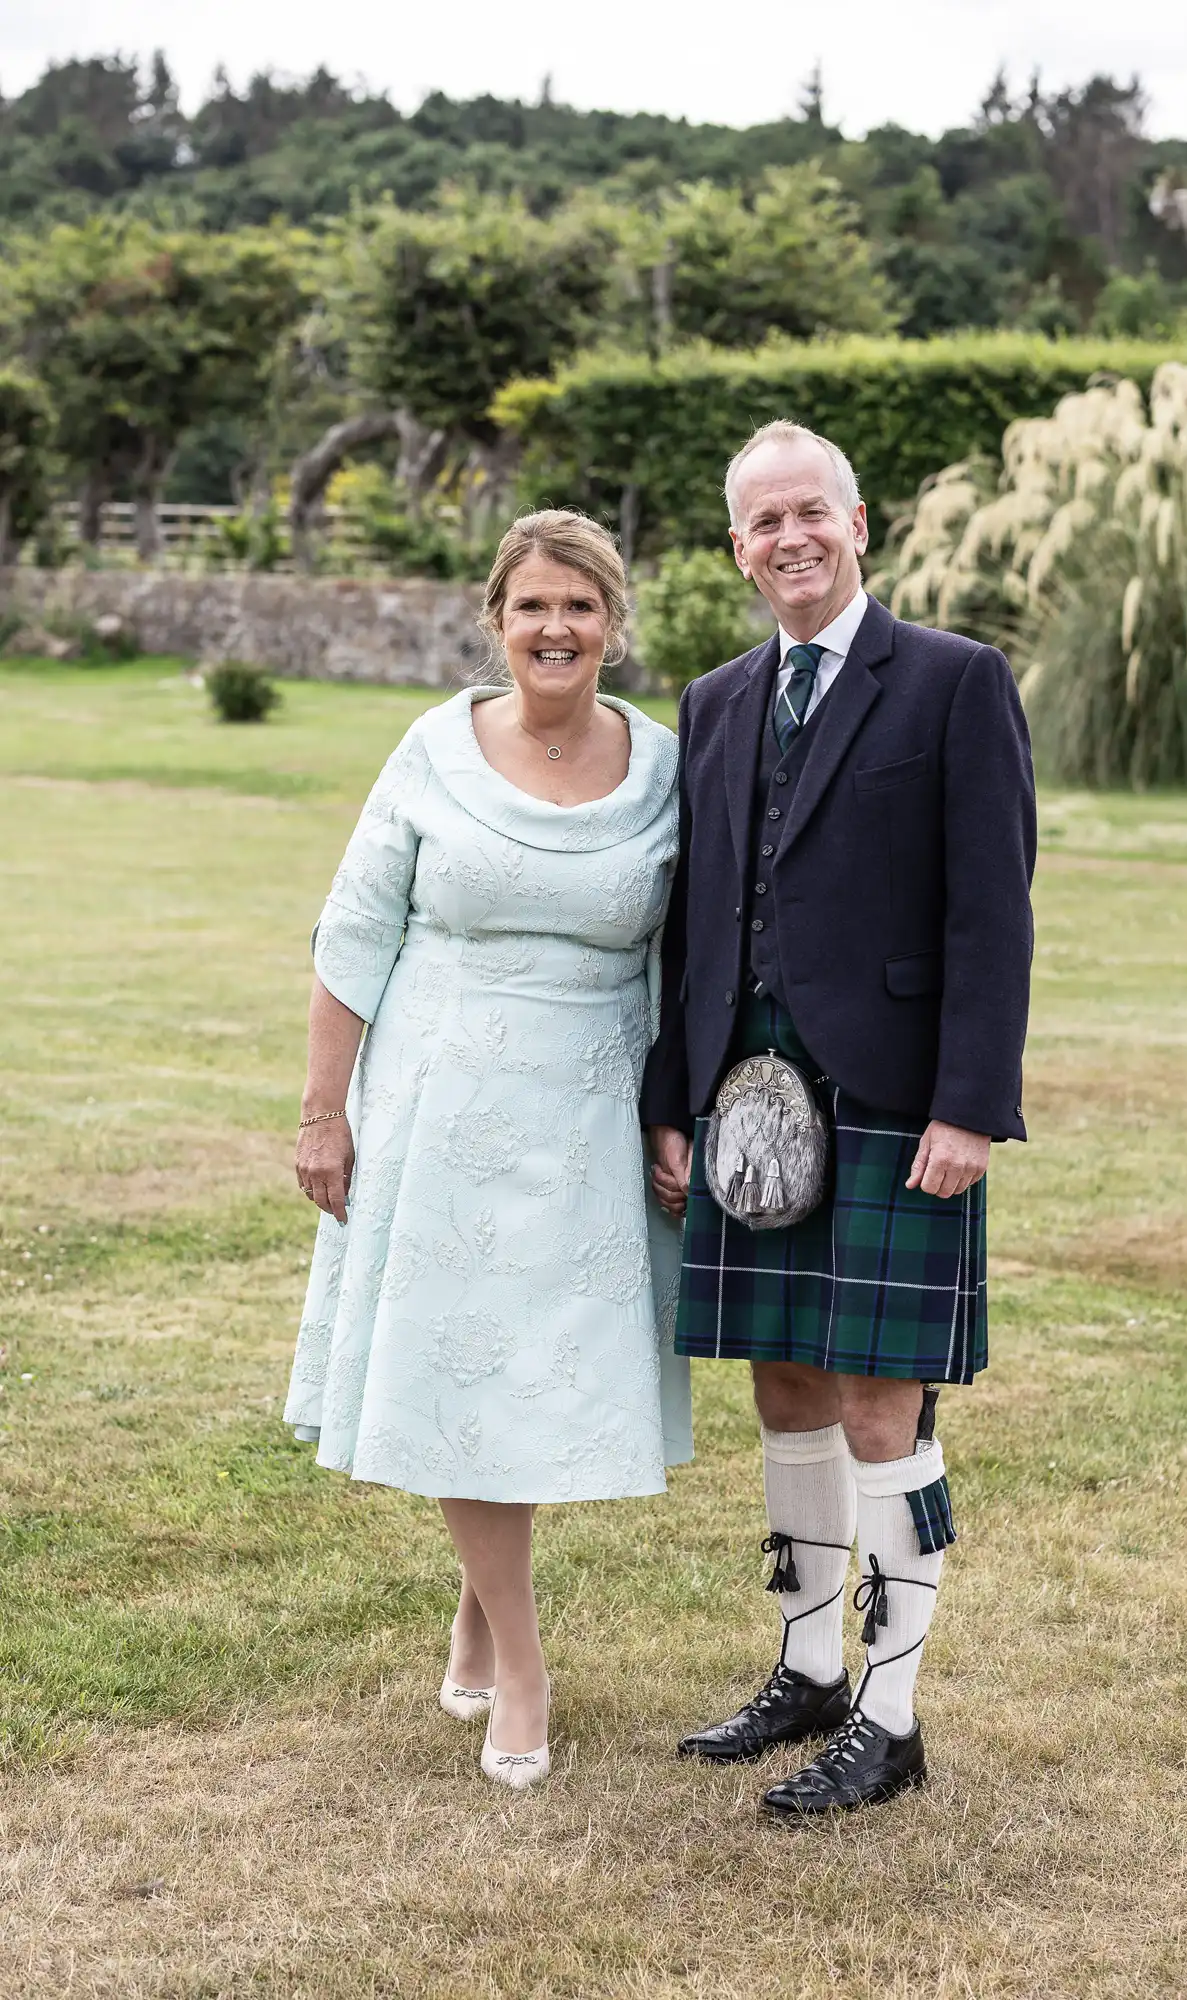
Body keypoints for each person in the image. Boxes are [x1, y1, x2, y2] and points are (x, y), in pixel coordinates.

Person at [642, 420, 1035, 1819]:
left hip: (890, 1101)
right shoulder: (717, 699)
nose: (789, 539)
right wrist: (675, 1102)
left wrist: (970, 1105)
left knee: (884, 1402)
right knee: (783, 1383)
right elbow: (695, 922)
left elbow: (993, 909)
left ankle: (894, 1709)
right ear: (737, 547)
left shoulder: (950, 681)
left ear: (858, 523)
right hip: (745, 1099)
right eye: (762, 522)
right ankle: (807, 1666)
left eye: (811, 512)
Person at [286, 509, 691, 1792]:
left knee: (540, 1375)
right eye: (531, 606)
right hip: (440, 1101)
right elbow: (355, 933)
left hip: (589, 1115)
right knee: (465, 1379)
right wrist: (322, 1111)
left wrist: (677, 1110)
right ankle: (521, 1658)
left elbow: (691, 959)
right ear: (495, 622)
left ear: (612, 624)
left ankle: (477, 1600)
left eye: (578, 605)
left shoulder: (667, 765)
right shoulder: (431, 750)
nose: (554, 628)